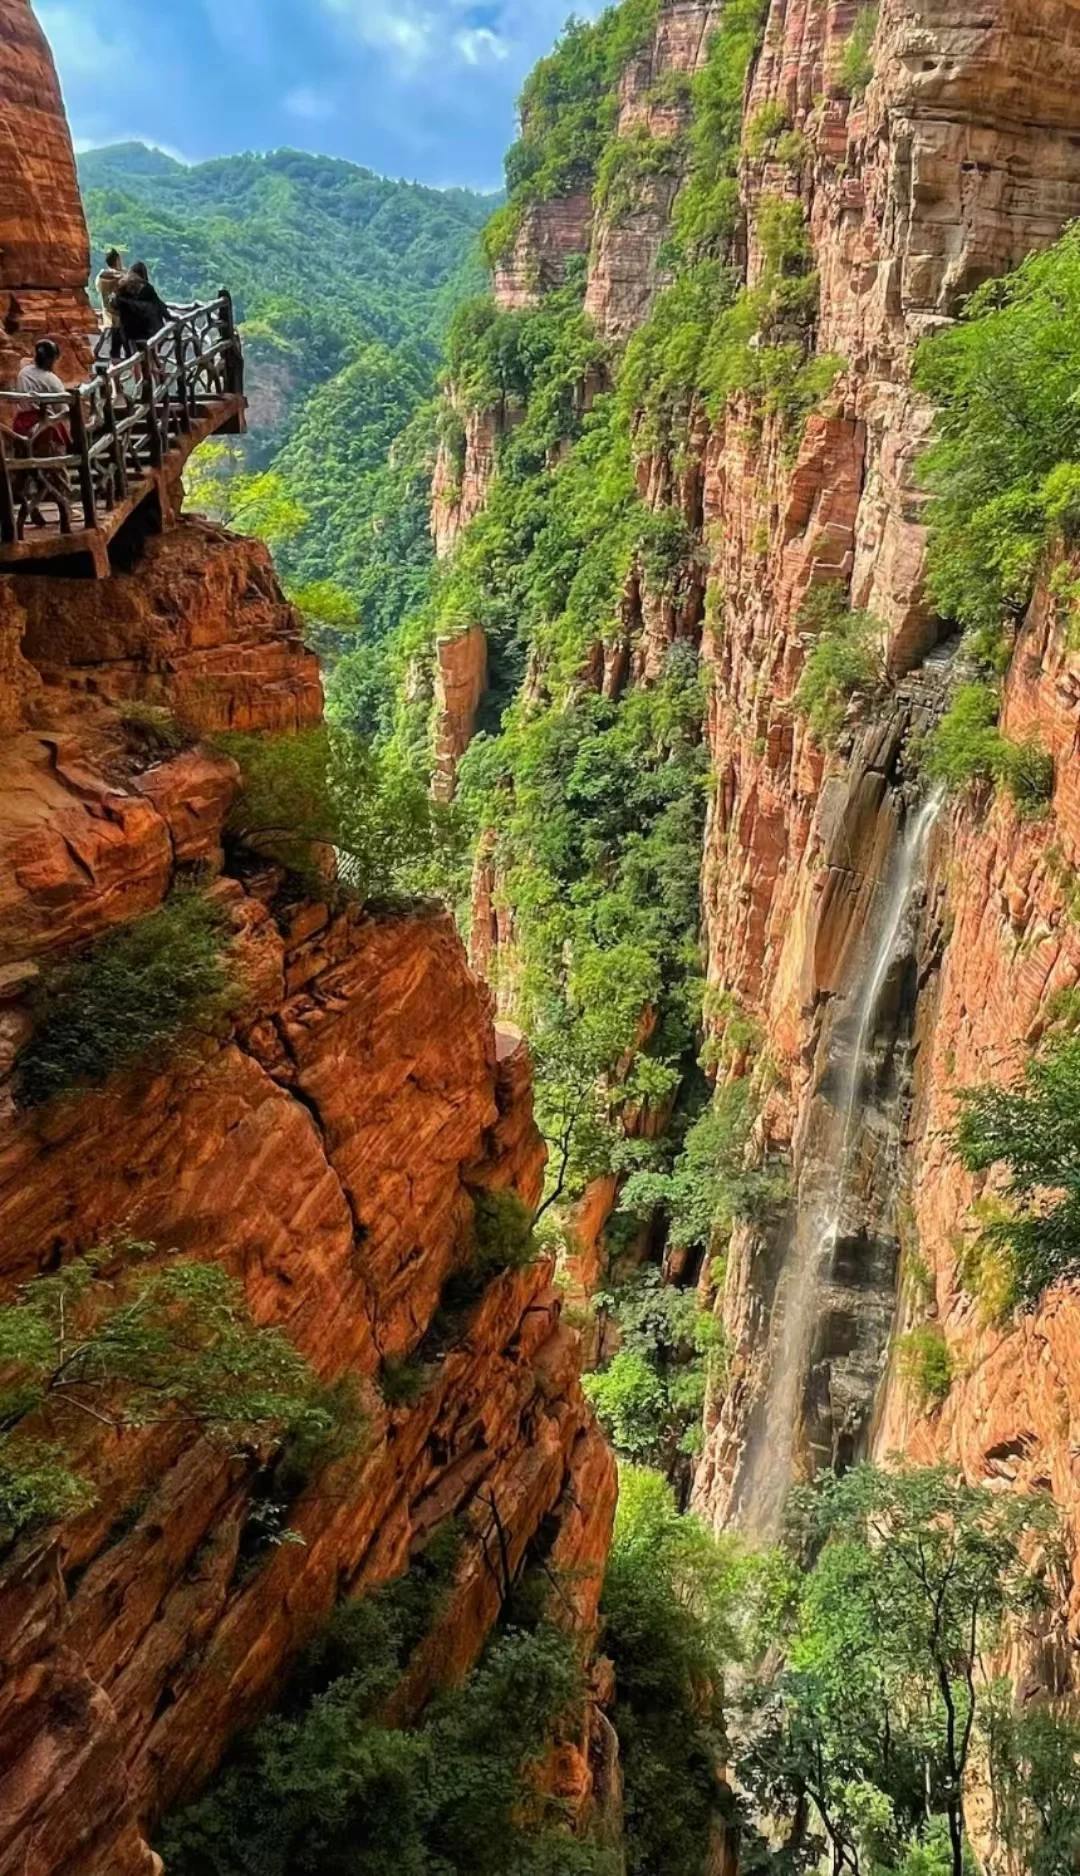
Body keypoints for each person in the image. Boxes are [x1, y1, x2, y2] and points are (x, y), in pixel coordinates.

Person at [13, 339, 71, 450]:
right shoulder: (52, 380)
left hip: (21, 424)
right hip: (44, 427)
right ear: (52, 360)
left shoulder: (24, 372)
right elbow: (63, 409)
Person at [113, 261, 171, 350]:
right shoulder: (146, 288)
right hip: (145, 330)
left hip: (128, 331)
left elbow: (115, 305)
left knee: (133, 357)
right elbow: (159, 305)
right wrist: (170, 317)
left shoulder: (122, 287)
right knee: (149, 356)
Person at [95, 247, 129, 361]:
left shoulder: (100, 277)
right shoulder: (121, 278)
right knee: (130, 353)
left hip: (109, 316)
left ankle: (115, 378)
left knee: (115, 352)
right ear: (117, 261)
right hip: (122, 318)